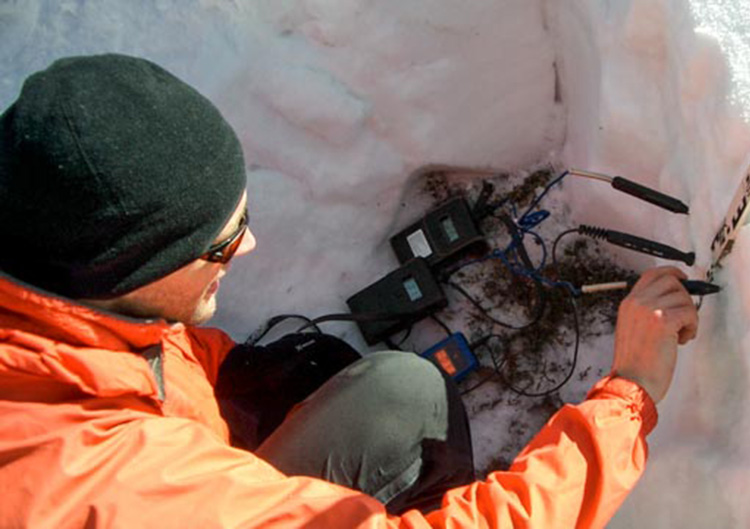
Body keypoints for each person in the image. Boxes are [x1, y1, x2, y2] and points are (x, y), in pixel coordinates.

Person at [0, 54, 699, 528]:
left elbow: (132, 356)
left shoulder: (50, 298)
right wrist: (629, 391)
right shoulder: (118, 487)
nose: (248, 248)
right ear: (126, 270)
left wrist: (226, 369)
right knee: (407, 396)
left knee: (401, 391)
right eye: (218, 244)